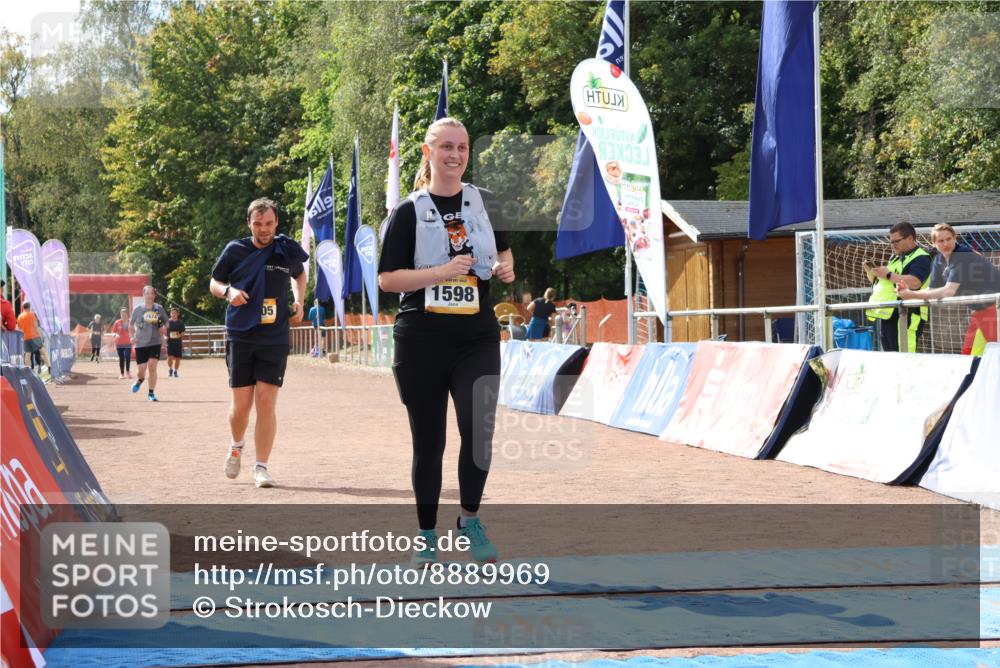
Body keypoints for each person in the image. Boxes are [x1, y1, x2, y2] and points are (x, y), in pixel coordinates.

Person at [378, 117, 515, 566]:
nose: (455, 155)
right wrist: (441, 272)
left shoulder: (486, 202)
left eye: (462, 148)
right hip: (421, 338)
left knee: (479, 432)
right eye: (446, 148)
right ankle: (425, 532)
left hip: (475, 336)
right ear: (428, 152)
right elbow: (387, 279)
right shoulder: (408, 211)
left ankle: (470, 521)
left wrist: (505, 269)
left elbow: (505, 252)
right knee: (429, 441)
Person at [210, 197, 307, 489]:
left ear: (276, 222)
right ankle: (236, 445)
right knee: (241, 406)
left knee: (266, 401)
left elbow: (300, 274)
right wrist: (228, 292)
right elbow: (214, 283)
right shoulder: (235, 250)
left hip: (274, 335)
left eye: (268, 224)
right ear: (248, 223)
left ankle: (261, 467)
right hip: (240, 333)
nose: (263, 229)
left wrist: (300, 302)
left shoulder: (285, 248)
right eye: (257, 224)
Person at [898, 223, 1000, 357]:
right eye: (941, 240)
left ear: (955, 238)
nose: (946, 243)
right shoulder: (938, 260)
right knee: (970, 357)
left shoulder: (962, 255)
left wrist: (912, 295)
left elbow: (948, 292)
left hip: (995, 308)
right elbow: (931, 290)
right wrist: (909, 292)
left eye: (949, 239)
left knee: (991, 355)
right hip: (980, 311)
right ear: (934, 243)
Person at [864, 221, 932, 352]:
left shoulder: (921, 258)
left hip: (907, 314)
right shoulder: (895, 258)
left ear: (910, 238)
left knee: (905, 356)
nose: (893, 245)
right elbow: (881, 283)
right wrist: (870, 272)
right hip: (889, 315)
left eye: (897, 241)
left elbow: (915, 282)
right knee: (891, 358)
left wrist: (888, 274)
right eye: (891, 242)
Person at [129, 286, 168, 402]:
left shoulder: (159, 309)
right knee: (141, 370)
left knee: (152, 366)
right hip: (141, 343)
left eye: (152, 294)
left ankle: (151, 393)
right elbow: (131, 325)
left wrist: (164, 330)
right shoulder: (138, 309)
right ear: (143, 295)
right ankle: (140, 380)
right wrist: (131, 337)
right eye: (147, 293)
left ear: (154, 296)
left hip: (155, 342)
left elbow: (167, 323)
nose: (150, 296)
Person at [16, 302, 47, 372]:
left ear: (23, 307)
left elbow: (18, 328)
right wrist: (41, 337)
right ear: (29, 307)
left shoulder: (20, 316)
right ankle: (38, 366)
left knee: (28, 354)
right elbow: (36, 327)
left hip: (26, 338)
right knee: (36, 353)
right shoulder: (32, 315)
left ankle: (31, 369)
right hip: (34, 337)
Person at [111, 307, 132, 379]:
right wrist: (115, 335)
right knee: (122, 358)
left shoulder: (130, 322)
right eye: (122, 314)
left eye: (124, 314)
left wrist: (134, 337)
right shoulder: (117, 322)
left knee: (128, 357)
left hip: (128, 343)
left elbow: (134, 331)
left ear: (127, 314)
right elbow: (113, 332)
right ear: (120, 314)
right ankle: (122, 373)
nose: (123, 315)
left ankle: (128, 372)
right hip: (119, 344)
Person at [166, 307, 186, 377]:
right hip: (170, 342)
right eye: (172, 313)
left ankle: (175, 371)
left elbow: (183, 332)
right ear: (170, 314)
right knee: (169, 357)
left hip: (178, 342)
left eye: (175, 313)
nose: (173, 314)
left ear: (178, 314)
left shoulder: (180, 322)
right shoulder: (168, 322)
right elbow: (164, 331)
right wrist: (165, 337)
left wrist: (179, 335)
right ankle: (170, 369)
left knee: (178, 358)